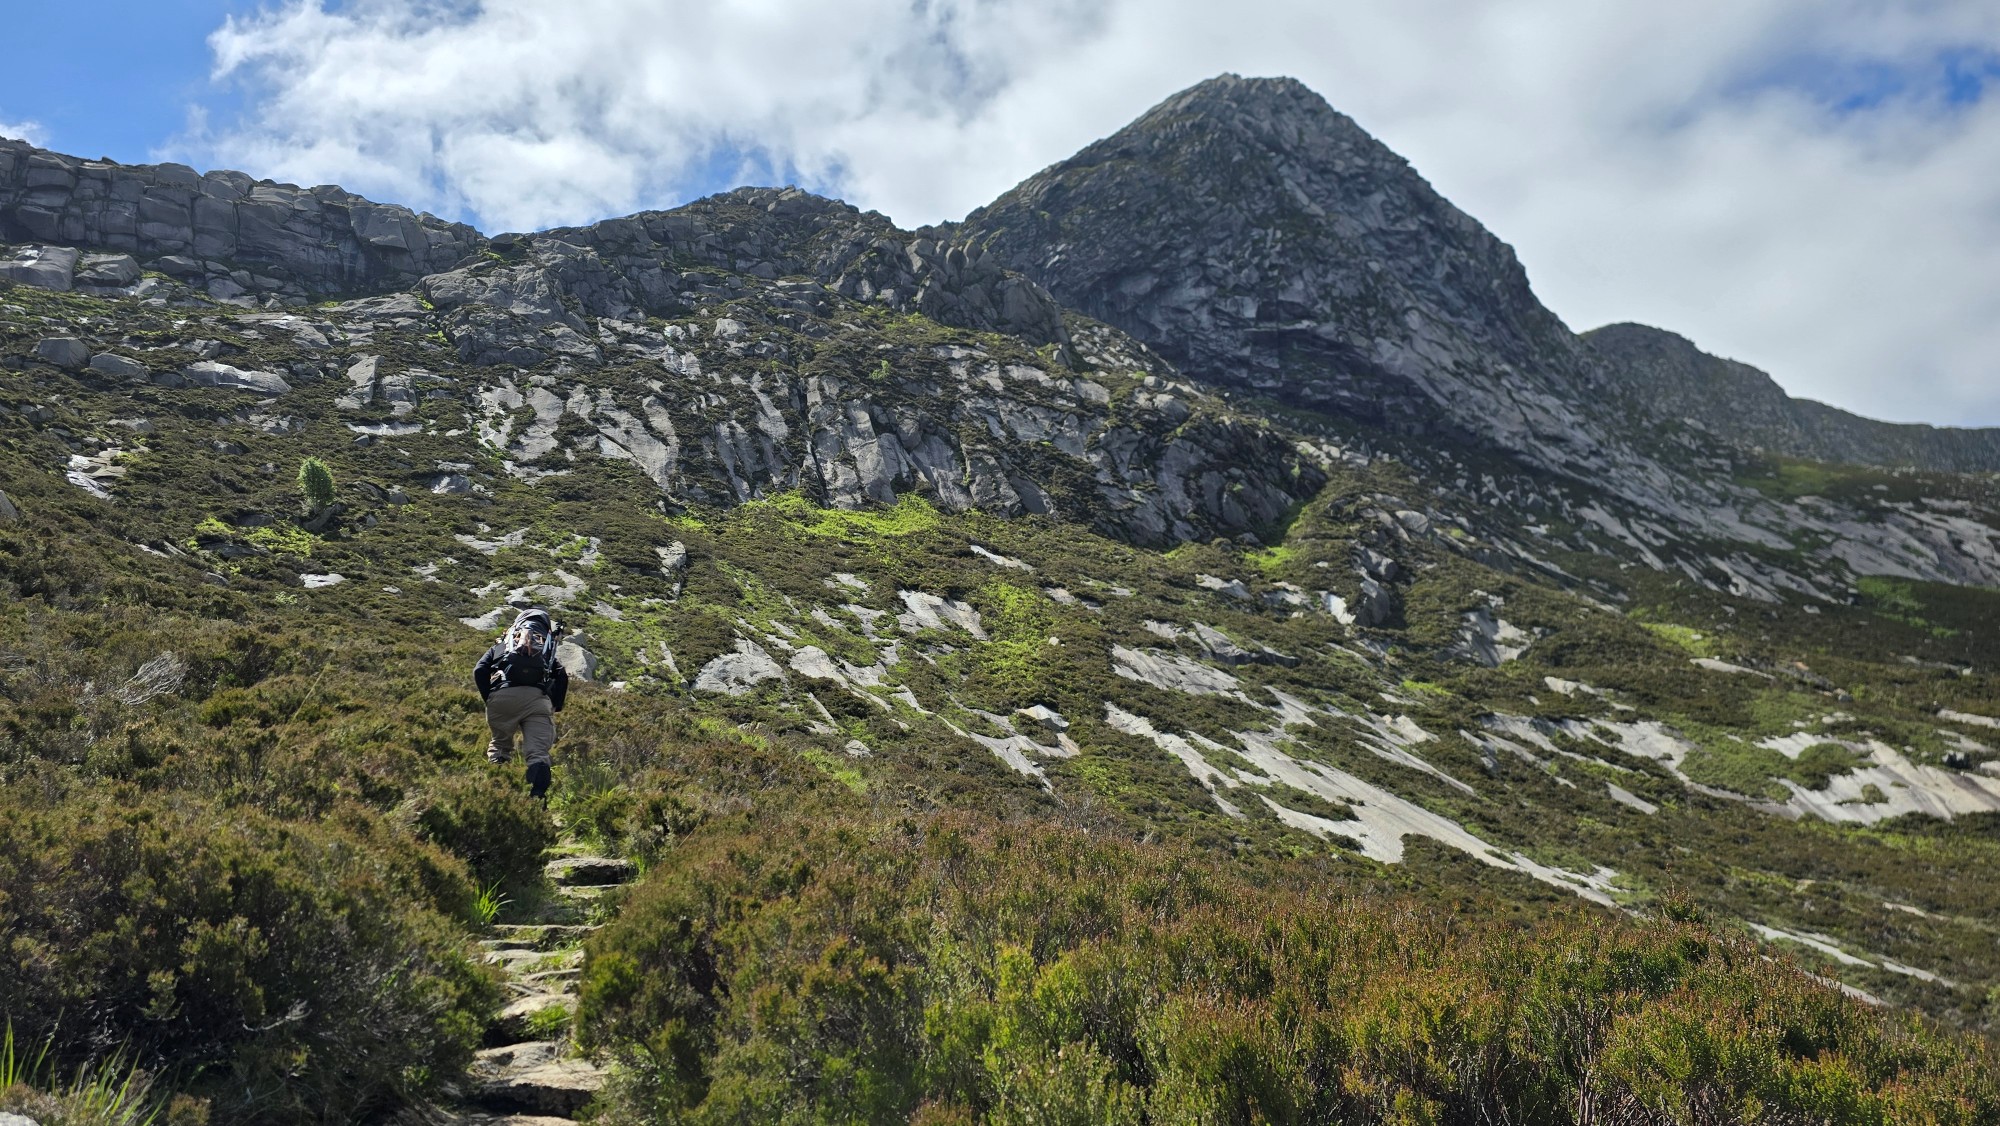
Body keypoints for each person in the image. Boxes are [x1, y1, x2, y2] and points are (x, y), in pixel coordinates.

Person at [474, 608, 569, 799]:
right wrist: (555, 705)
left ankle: (497, 793)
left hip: (502, 696)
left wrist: (490, 697)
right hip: (537, 701)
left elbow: (479, 670)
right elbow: (562, 676)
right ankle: (537, 798)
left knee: (500, 746)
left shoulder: (503, 645)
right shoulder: (545, 646)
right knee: (538, 754)